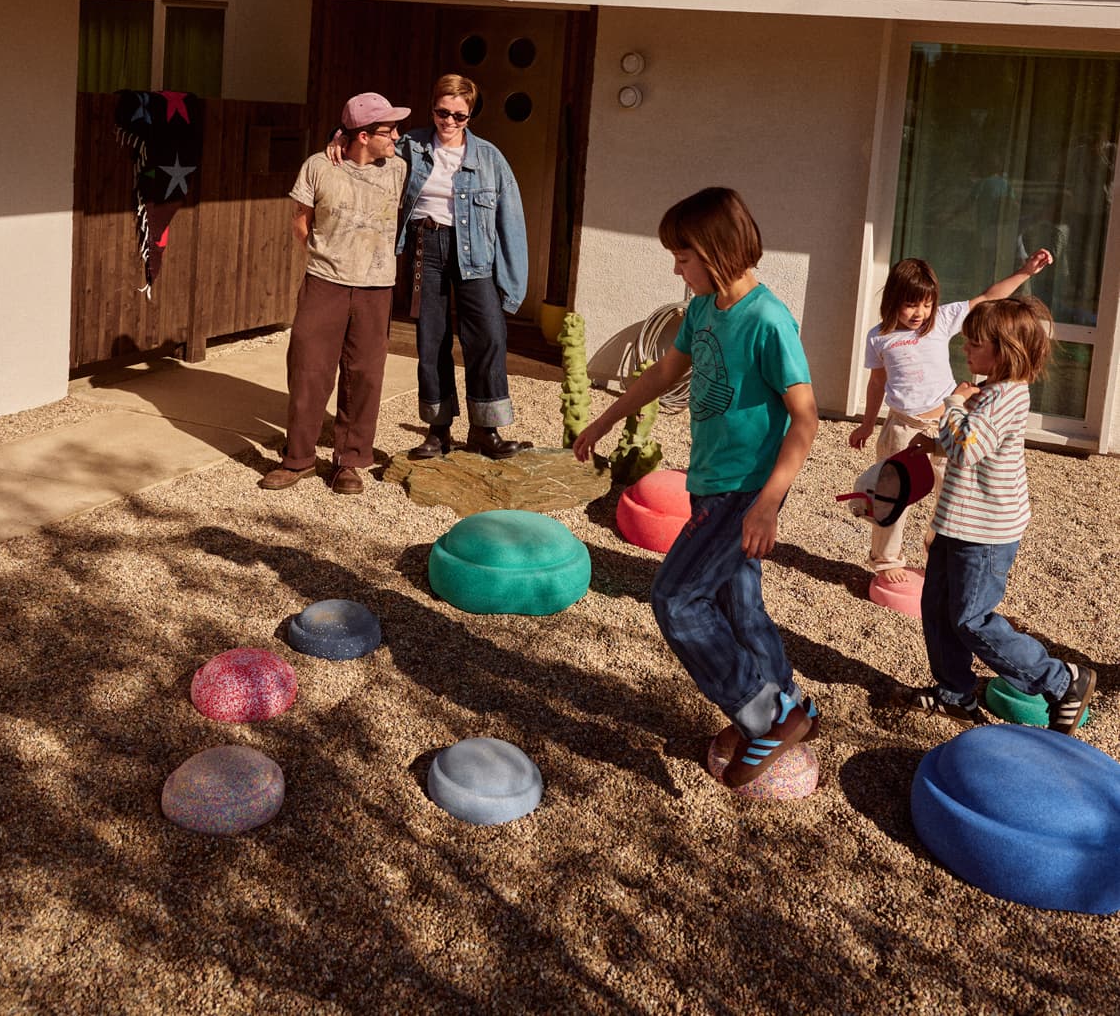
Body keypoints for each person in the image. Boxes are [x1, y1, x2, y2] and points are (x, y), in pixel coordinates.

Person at [573, 187, 820, 791]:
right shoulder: (704, 311)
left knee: (677, 601)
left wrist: (766, 505)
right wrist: (604, 420)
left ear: (715, 252)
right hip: (711, 483)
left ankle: (767, 715)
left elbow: (806, 418)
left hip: (746, 492)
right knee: (739, 605)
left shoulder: (768, 319)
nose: (675, 267)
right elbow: (663, 372)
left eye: (683, 256)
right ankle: (790, 705)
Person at [898, 296, 1097, 730]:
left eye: (974, 344)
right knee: (936, 607)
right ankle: (953, 690)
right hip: (958, 523)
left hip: (985, 531)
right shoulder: (990, 391)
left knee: (971, 618)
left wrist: (952, 403)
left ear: (1005, 350)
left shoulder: (1007, 396)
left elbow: (968, 447)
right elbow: (972, 446)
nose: (965, 350)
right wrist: (934, 444)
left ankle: (1062, 680)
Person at [849, 249, 1053, 583]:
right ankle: (887, 561)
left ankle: (939, 557)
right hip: (902, 427)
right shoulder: (879, 337)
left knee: (950, 497)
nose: (920, 313)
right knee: (892, 495)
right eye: (912, 304)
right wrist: (868, 424)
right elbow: (876, 383)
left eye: (927, 304)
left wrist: (1025, 272)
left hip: (946, 427)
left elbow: (989, 297)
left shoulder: (941, 321)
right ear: (893, 300)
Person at [259, 91, 409, 495]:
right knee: (308, 368)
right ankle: (298, 459)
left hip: (377, 286)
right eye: (388, 129)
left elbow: (447, 143)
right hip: (324, 281)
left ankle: (349, 462)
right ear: (362, 135)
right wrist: (328, 258)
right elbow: (301, 224)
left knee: (364, 375)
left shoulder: (399, 166)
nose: (396, 135)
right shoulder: (318, 167)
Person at [392, 74, 531, 460]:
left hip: (476, 254)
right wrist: (339, 139)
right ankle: (438, 431)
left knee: (488, 336)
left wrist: (513, 283)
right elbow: (369, 150)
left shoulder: (490, 158)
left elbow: (511, 222)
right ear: (432, 108)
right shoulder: (410, 146)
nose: (449, 122)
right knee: (431, 338)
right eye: (442, 112)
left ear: (471, 115)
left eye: (459, 116)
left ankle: (486, 430)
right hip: (427, 247)